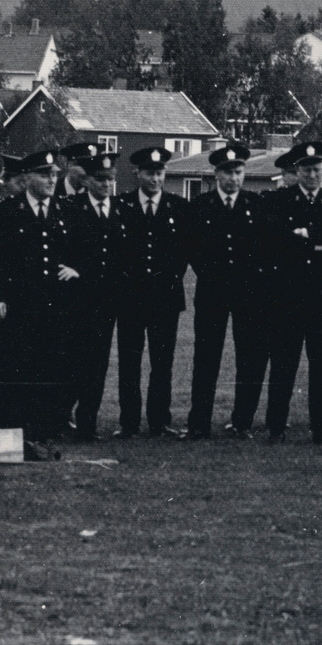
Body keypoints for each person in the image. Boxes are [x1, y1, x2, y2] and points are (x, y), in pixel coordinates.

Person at [0, 148, 79, 460]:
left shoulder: (66, 210)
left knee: (50, 369)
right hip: (17, 307)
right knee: (14, 370)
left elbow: (86, 247)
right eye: (44, 174)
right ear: (27, 177)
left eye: (55, 174)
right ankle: (13, 433)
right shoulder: (7, 211)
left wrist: (78, 268)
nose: (51, 180)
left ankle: (46, 432)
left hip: (54, 307)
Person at [262, 141, 322, 444]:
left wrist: (301, 235)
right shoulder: (278, 200)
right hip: (286, 295)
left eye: (317, 169)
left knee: (321, 363)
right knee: (284, 362)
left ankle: (320, 428)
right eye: (306, 169)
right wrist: (313, 241)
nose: (312, 174)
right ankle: (275, 427)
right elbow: (273, 235)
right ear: (296, 171)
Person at [185, 143, 268, 439]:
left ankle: (242, 421)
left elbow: (265, 251)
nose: (233, 178)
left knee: (250, 358)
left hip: (249, 294)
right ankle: (199, 423)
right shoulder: (200, 206)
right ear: (216, 174)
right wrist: (209, 273)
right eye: (227, 173)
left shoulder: (256, 205)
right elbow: (192, 249)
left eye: (239, 171)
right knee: (206, 358)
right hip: (212, 292)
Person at [116, 146, 188, 439]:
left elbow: (183, 254)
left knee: (162, 365)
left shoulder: (178, 207)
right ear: (138, 174)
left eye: (159, 173)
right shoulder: (121, 205)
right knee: (129, 364)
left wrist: (166, 282)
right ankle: (129, 424)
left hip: (165, 300)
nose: (154, 179)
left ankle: (159, 422)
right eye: (149, 173)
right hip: (130, 299)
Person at [60, 150, 125, 441]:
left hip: (107, 300)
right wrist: (80, 272)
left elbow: (123, 256)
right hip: (77, 300)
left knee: (98, 366)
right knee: (73, 363)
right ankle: (62, 416)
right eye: (100, 180)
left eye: (110, 179)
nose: (105, 185)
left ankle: (88, 424)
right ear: (87, 182)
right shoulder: (72, 208)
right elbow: (66, 253)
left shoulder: (122, 209)